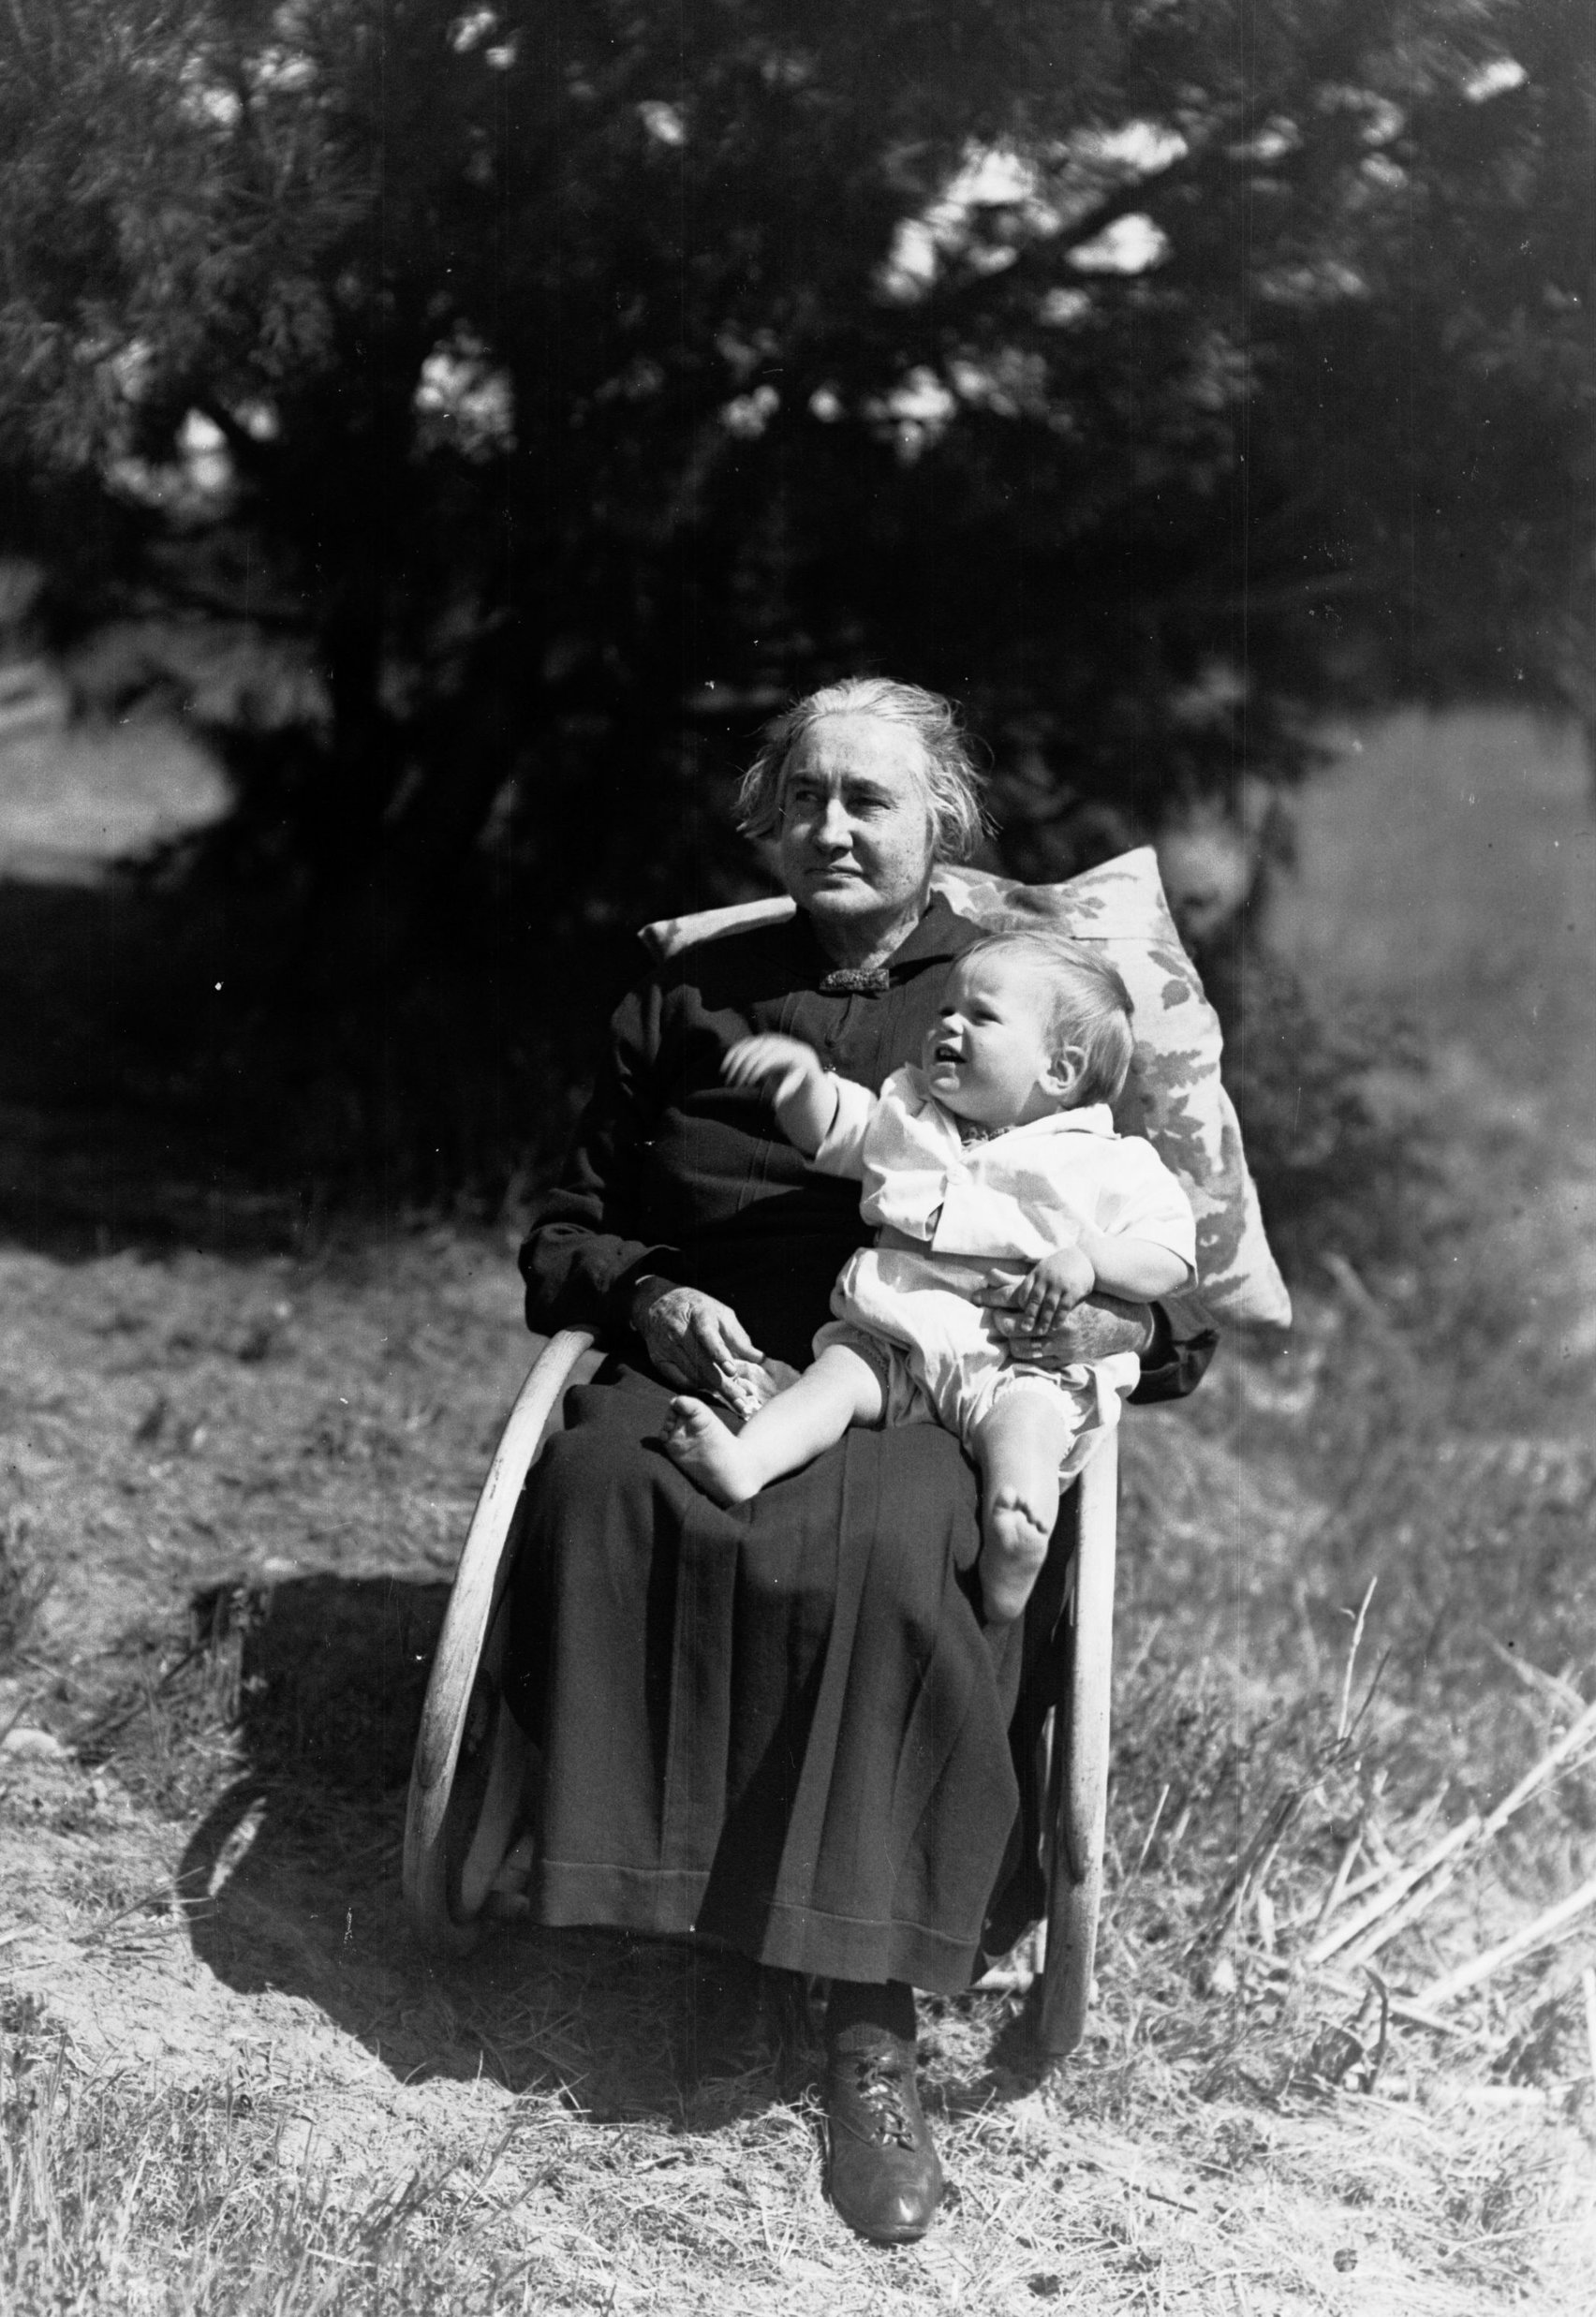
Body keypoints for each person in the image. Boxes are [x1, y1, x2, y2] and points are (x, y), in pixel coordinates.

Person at [505, 678, 1215, 2246]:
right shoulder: (689, 989)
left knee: (909, 1546)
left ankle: (863, 2009)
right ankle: (694, 1935)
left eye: (871, 800)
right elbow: (561, 1232)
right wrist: (650, 1294)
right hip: (729, 1356)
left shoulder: (1023, 995)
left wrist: (1084, 1297)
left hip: (946, 1372)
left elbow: (1175, 1315)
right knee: (609, 1481)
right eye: (807, 794)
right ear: (769, 811)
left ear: (942, 823)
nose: (834, 826)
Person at [658, 928, 1196, 1623]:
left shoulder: (1107, 1162)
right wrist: (801, 1082)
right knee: (835, 1379)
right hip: (894, 1339)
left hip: (1015, 1361)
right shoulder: (910, 1114)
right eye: (946, 1009)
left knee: (1027, 1429)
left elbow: (1171, 1255)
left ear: (1058, 1071)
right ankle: (746, 1462)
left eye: (982, 1015)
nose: (947, 1023)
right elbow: (834, 1131)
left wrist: (1091, 1259)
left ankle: (1017, 1531)